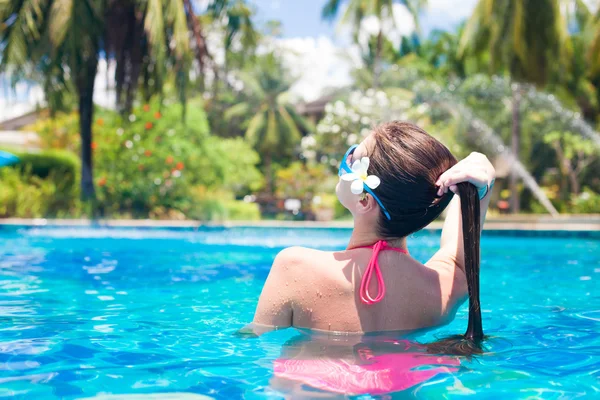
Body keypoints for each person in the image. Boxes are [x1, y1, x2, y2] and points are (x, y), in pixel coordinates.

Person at [249, 121, 496, 355]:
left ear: (364, 200)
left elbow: (254, 345)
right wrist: (480, 189)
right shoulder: (445, 289)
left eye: (353, 157)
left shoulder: (295, 269)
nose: (345, 160)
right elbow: (459, 259)